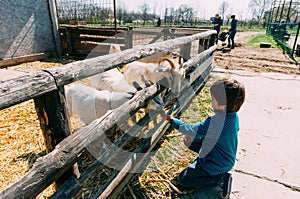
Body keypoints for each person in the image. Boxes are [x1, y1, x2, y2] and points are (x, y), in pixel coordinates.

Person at [162, 78, 245, 198]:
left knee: (183, 180)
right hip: (222, 156)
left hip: (217, 163)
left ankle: (220, 179)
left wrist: (170, 120)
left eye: (213, 99)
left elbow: (190, 130)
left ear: (223, 104)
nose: (211, 101)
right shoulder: (233, 116)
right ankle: (206, 168)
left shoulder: (216, 122)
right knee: (190, 141)